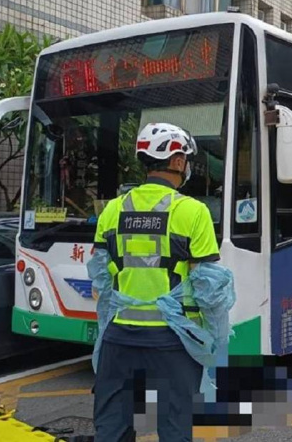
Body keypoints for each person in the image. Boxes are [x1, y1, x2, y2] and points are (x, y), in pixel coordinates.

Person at [89, 123, 234, 441]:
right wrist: (214, 341)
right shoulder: (192, 211)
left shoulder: (113, 210)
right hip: (173, 341)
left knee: (111, 426)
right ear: (178, 162)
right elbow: (209, 288)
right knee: (173, 426)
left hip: (118, 336)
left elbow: (100, 275)